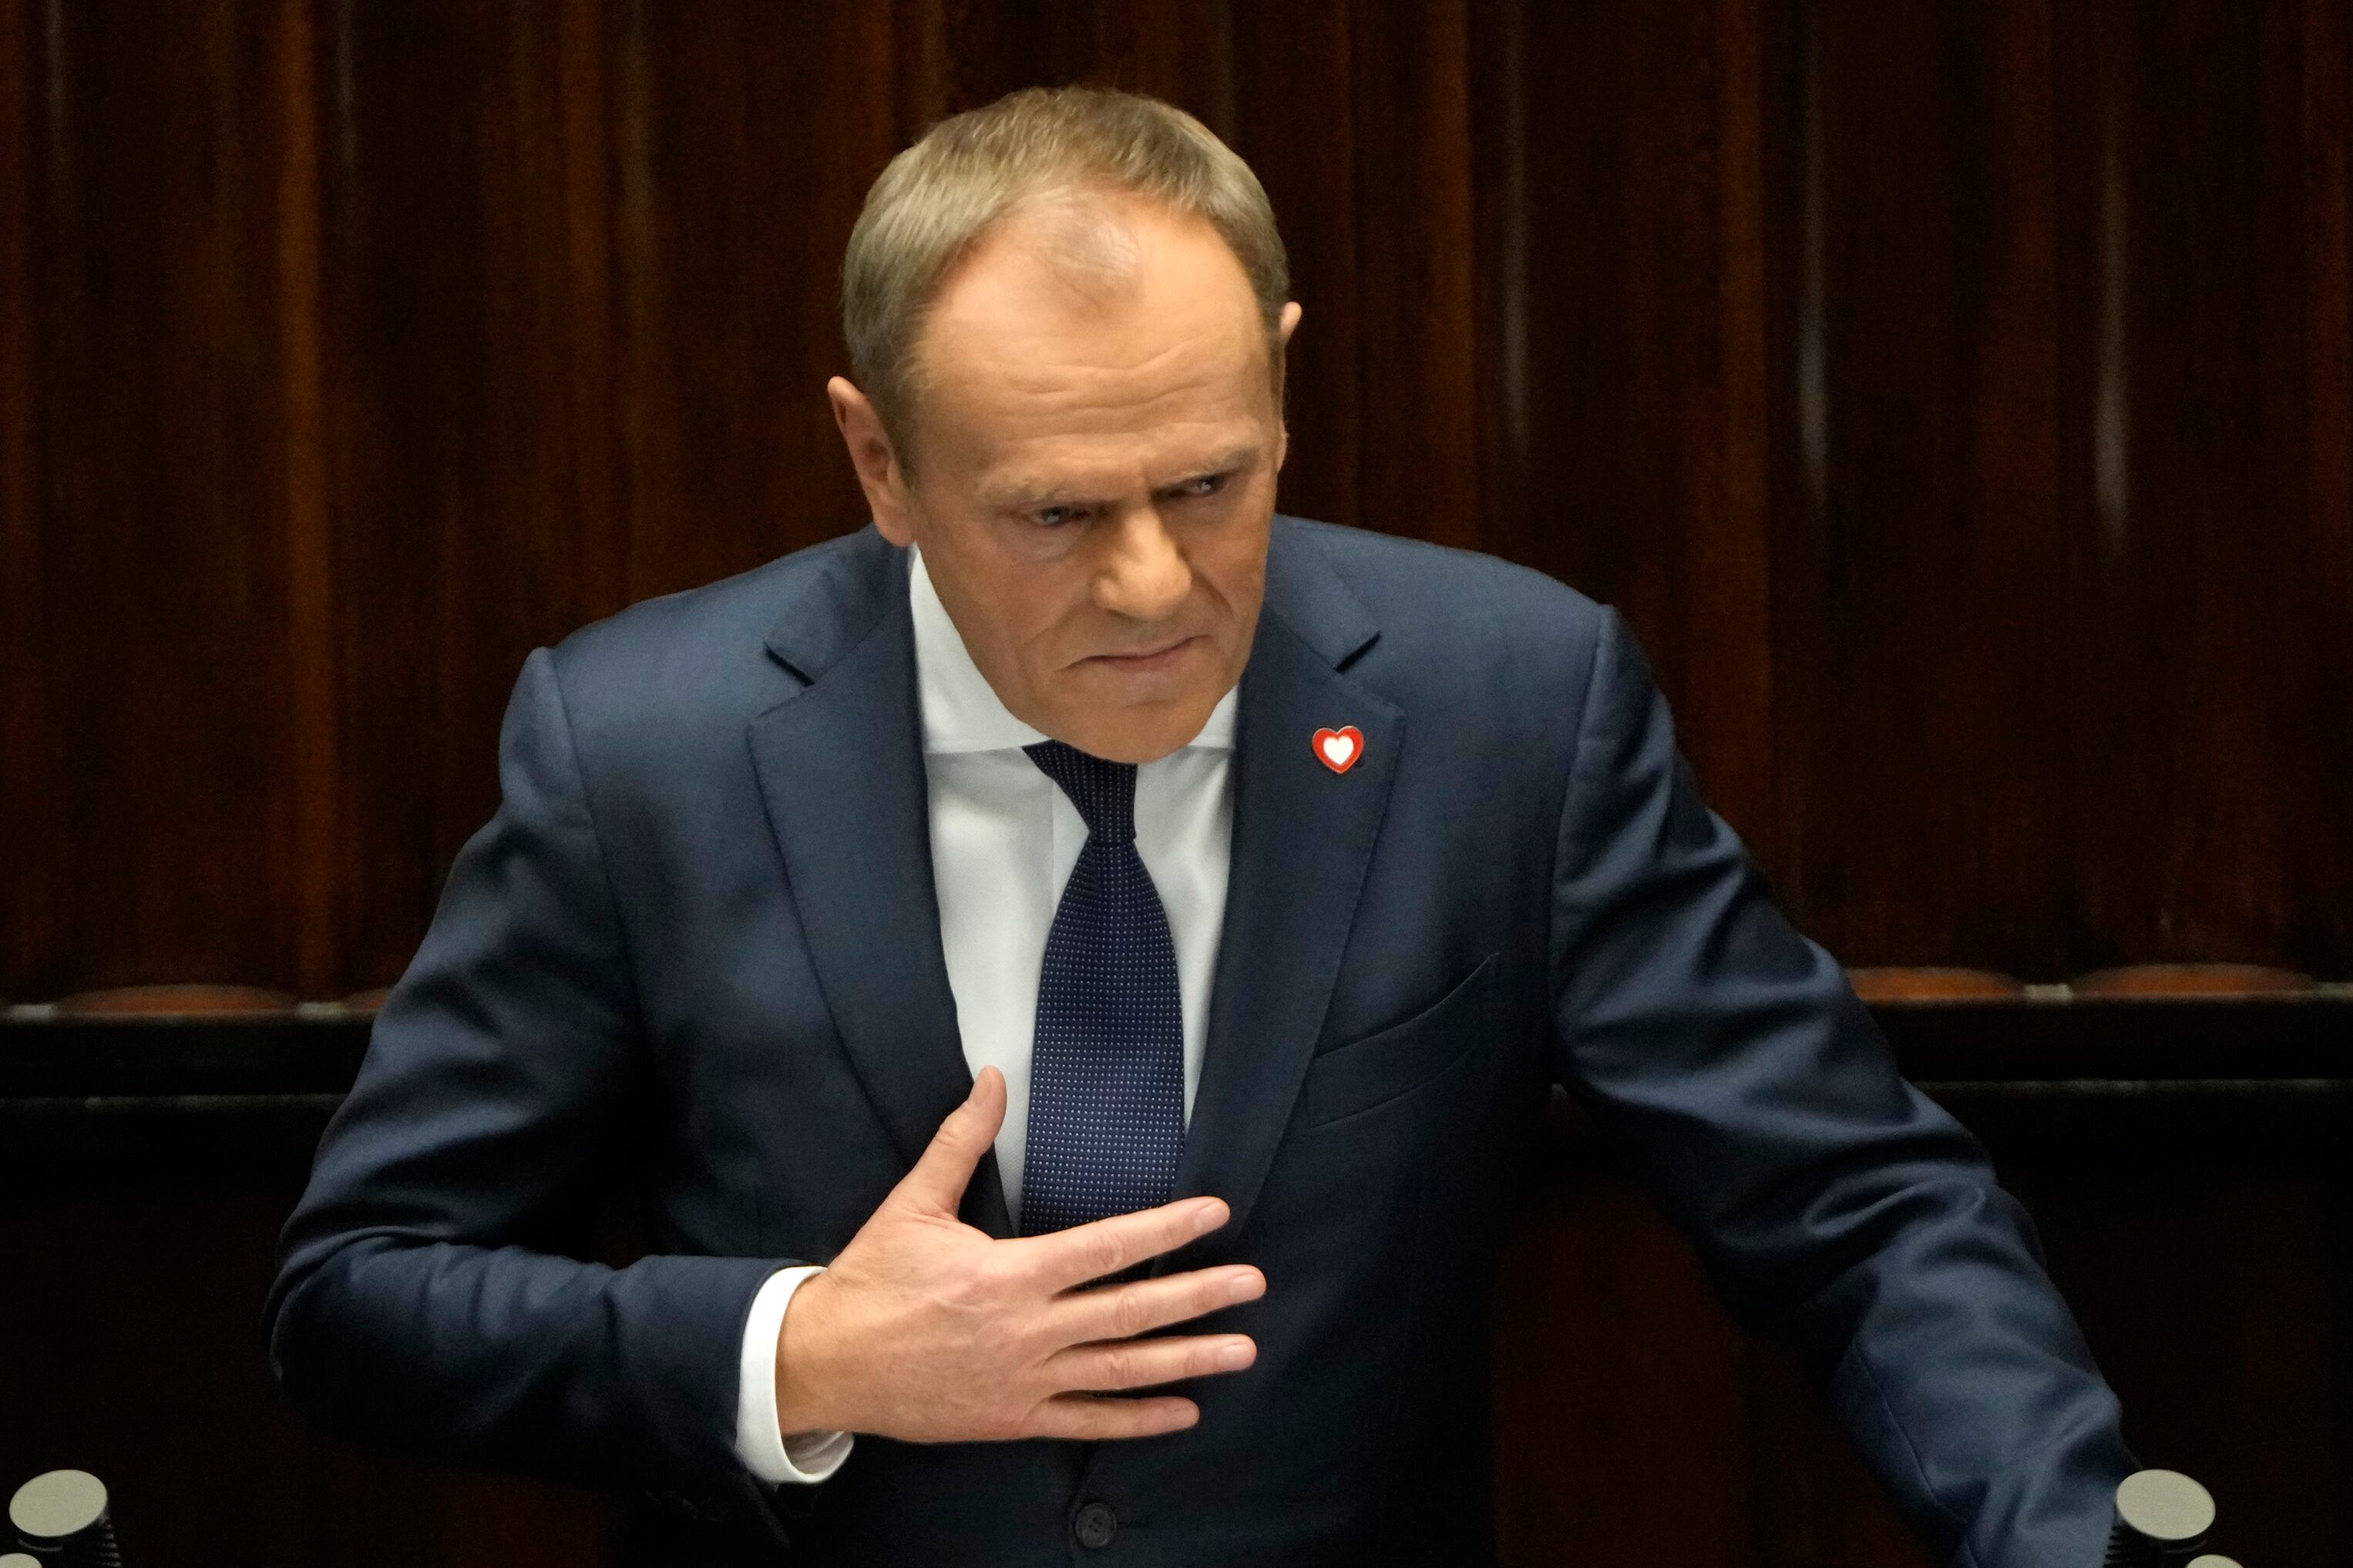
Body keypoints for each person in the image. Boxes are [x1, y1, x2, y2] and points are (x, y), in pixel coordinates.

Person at [267, 86, 2133, 1566]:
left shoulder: (1509, 708)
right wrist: (802, 1351)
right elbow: (359, 1295)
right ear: (879, 460)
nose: (1157, 584)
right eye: (1057, 514)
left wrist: (2074, 1542)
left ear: (1284, 380)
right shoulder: (643, 749)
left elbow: (1854, 1205)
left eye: (1212, 482)